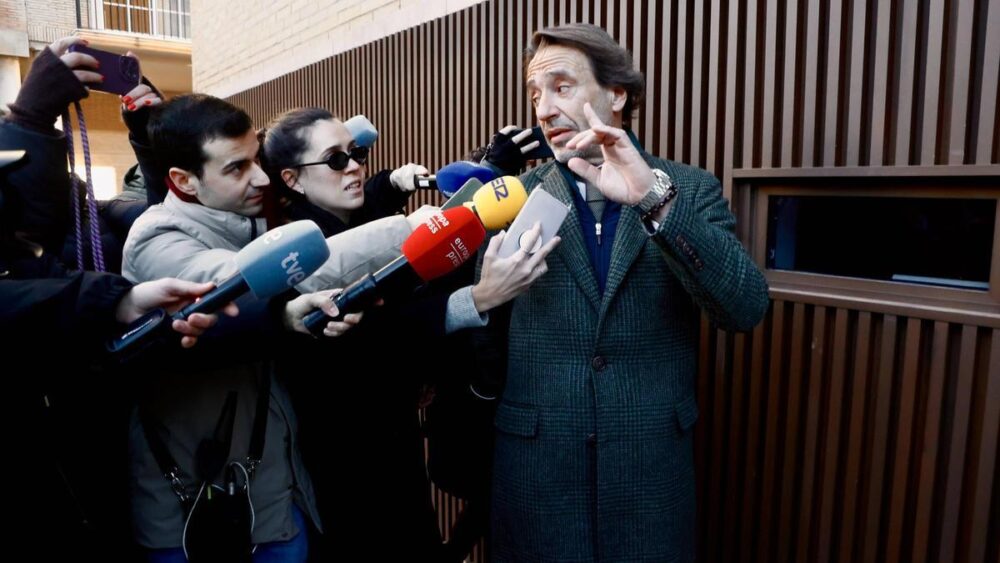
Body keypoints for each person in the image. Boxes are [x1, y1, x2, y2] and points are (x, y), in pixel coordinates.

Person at [482, 23, 770, 562]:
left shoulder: (688, 188)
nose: (544, 109)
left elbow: (745, 307)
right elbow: (464, 321)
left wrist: (652, 200)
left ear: (616, 95)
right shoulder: (513, 197)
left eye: (561, 87)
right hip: (537, 479)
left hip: (649, 480)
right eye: (536, 94)